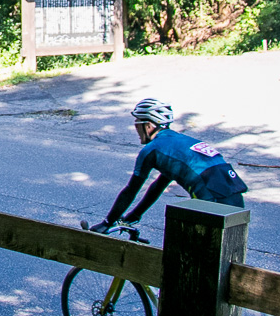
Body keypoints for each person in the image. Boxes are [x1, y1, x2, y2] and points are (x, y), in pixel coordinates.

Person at [90, 98, 248, 233]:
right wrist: (134, 216)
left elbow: (130, 191)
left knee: (186, 255)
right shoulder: (177, 141)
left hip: (211, 194)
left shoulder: (151, 150)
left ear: (149, 126)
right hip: (232, 188)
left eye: (137, 124)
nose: (136, 129)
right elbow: (158, 185)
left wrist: (107, 223)